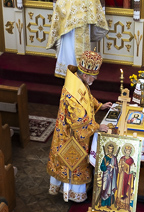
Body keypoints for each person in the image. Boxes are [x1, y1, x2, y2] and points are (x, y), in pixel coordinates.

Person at [47, 50, 112, 203]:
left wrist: (99, 105)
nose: (95, 79)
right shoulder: (72, 91)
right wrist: (97, 127)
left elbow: (87, 97)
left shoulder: (78, 81)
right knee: (72, 163)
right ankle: (71, 193)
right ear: (84, 75)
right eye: (93, 76)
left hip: (74, 134)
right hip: (70, 137)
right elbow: (78, 120)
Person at [46, 0, 108, 78]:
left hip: (81, 23)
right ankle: (69, 72)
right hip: (69, 27)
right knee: (68, 47)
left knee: (74, 47)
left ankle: (81, 73)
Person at [115, 145, 135, 212]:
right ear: (124, 151)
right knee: (121, 189)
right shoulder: (122, 158)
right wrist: (121, 165)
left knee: (127, 190)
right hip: (122, 176)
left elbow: (132, 168)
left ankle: (127, 207)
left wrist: (126, 166)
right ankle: (120, 205)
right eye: (126, 150)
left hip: (128, 177)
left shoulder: (131, 160)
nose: (127, 152)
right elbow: (119, 166)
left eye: (129, 151)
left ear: (130, 152)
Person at [99, 143, 118, 209]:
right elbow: (101, 167)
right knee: (104, 188)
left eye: (112, 149)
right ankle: (102, 203)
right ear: (108, 149)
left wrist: (114, 167)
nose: (110, 150)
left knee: (109, 189)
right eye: (109, 149)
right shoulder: (105, 158)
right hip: (106, 175)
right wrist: (106, 165)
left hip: (111, 175)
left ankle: (108, 204)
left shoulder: (114, 158)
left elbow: (116, 167)